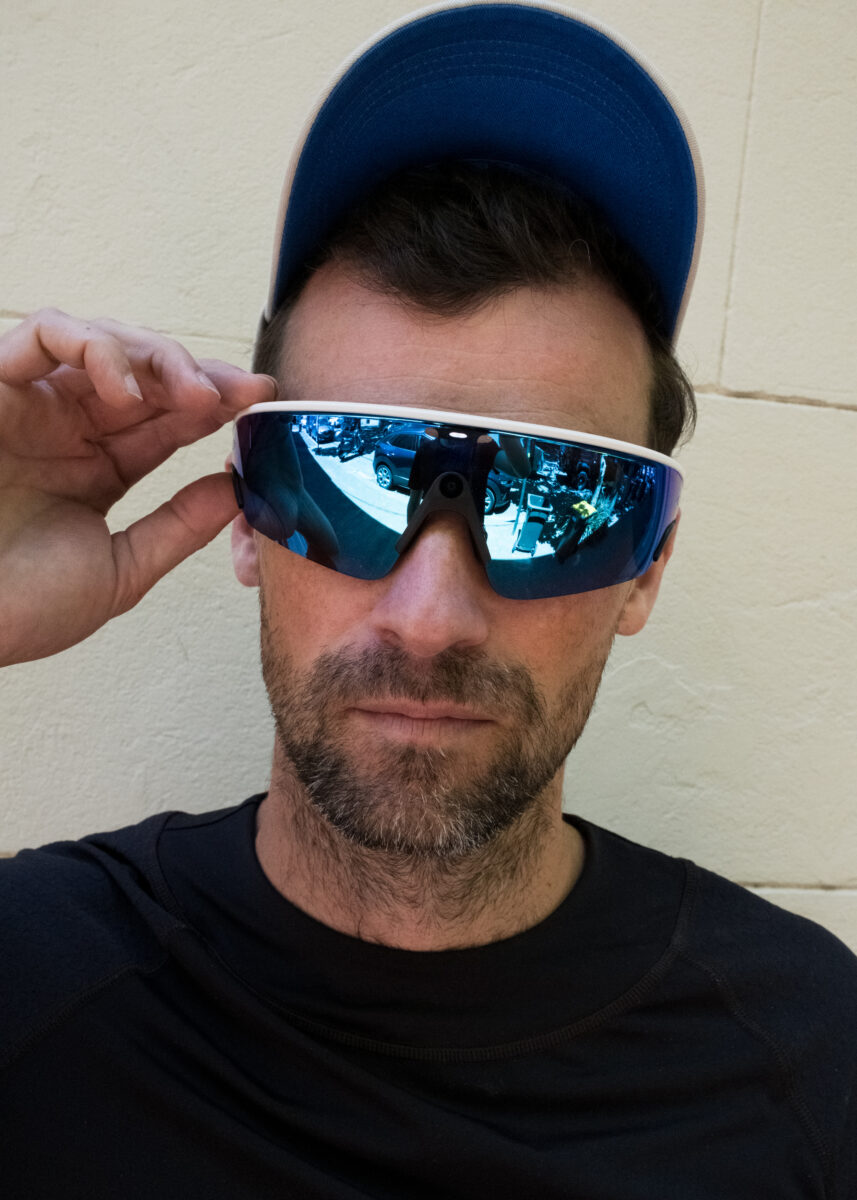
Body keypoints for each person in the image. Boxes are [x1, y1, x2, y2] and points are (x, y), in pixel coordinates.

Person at [1, 5, 855, 1197]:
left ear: (645, 566)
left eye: (554, 504)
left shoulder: (816, 1066)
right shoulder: (27, 985)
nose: (428, 618)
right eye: (346, 480)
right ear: (247, 512)